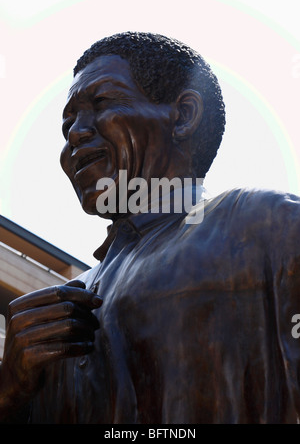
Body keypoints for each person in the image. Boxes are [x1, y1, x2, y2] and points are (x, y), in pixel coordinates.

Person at [1, 31, 300, 424]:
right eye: (67, 125)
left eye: (102, 103)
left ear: (184, 115)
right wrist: (10, 391)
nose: (74, 134)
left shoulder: (266, 224)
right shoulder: (60, 308)